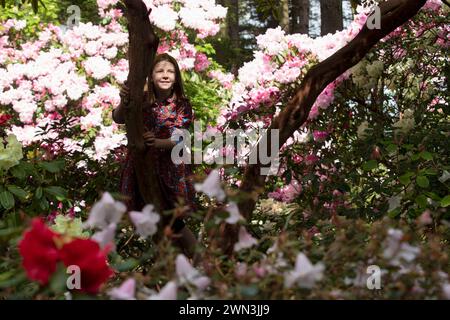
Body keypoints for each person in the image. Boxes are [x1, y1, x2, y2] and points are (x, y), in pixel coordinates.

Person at [112, 53, 198, 259]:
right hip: (141, 165)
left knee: (173, 219)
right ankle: (172, 262)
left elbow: (180, 138)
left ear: (176, 77)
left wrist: (157, 143)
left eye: (170, 71)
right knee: (148, 214)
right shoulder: (141, 99)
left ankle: (200, 258)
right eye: (160, 71)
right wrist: (125, 100)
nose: (165, 75)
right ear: (151, 76)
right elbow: (118, 117)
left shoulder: (182, 105)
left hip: (169, 169)